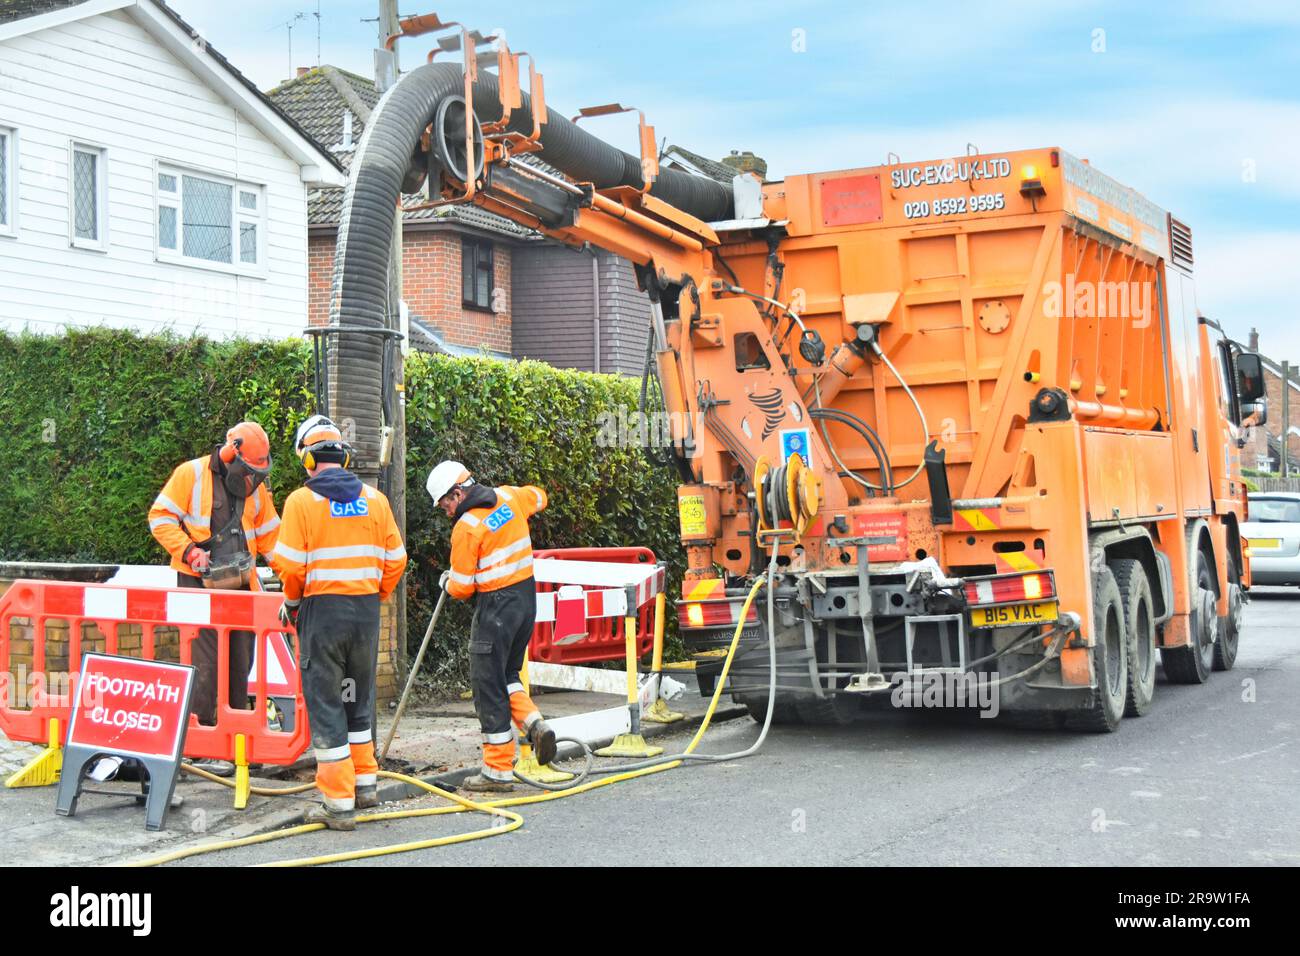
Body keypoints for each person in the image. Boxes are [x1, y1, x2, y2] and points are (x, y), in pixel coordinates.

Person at [272, 415, 407, 830]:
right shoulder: (376, 500)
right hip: (365, 614)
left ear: (308, 460)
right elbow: (397, 560)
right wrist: (374, 595)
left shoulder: (301, 501)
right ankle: (365, 786)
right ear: (344, 456)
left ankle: (337, 803)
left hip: (323, 614)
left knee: (327, 703)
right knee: (356, 698)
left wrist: (292, 603)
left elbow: (290, 567)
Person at [149, 421, 278, 777]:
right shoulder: (189, 474)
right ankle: (204, 738)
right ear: (233, 452)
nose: (253, 477)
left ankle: (234, 735)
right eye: (250, 469)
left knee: (240, 657)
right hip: (198, 582)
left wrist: (293, 571)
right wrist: (190, 551)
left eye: (259, 471)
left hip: (241, 584)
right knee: (204, 659)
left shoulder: (254, 488)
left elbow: (270, 536)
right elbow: (159, 518)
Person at [426, 460, 556, 792]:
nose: (445, 511)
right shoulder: (510, 497)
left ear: (458, 492)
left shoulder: (467, 527)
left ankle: (497, 772)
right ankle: (535, 724)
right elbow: (540, 496)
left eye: (446, 503)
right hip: (526, 603)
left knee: (488, 686)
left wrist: (446, 582)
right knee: (508, 676)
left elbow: (463, 587)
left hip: (495, 610)